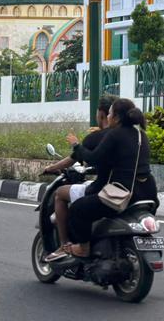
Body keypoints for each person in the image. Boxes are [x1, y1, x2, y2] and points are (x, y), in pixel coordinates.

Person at [64, 98, 157, 258]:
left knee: (78, 209)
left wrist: (76, 145)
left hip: (122, 192)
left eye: (110, 114)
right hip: (147, 191)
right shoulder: (142, 135)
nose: (107, 117)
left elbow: (94, 158)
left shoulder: (115, 134)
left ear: (117, 118)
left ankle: (83, 248)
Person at [41, 94, 116, 262]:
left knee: (60, 194)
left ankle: (64, 245)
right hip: (126, 188)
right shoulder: (129, 136)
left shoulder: (97, 137)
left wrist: (50, 168)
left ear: (103, 114)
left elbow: (73, 158)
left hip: (104, 189)